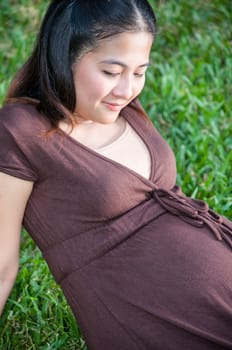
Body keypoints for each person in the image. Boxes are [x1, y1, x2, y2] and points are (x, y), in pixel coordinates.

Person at [0, 0, 231, 349]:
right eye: (111, 72)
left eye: (139, 72)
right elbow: (1, 265)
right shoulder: (21, 130)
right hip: (160, 323)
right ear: (65, 56)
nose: (127, 90)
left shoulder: (123, 108)